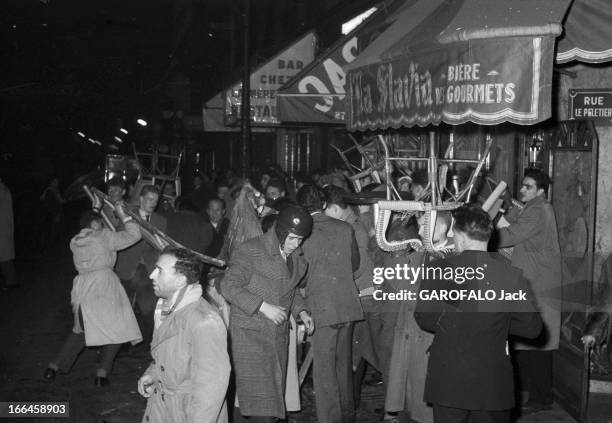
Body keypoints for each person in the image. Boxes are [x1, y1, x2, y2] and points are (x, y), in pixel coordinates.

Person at [414, 205, 543, 423]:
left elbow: (424, 318)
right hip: (491, 380)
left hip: (447, 378)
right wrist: (497, 322)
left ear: (461, 235)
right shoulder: (511, 276)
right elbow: (532, 329)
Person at [220, 205, 314, 423]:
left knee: (266, 405)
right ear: (280, 231)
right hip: (251, 336)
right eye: (291, 238)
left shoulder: (296, 258)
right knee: (259, 406)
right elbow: (229, 286)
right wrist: (263, 306)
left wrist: (302, 311)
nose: (295, 244)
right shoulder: (251, 250)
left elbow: (290, 291)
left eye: (300, 239)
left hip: (278, 338)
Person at [44, 203, 142, 386]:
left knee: (81, 330)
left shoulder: (75, 240)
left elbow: (90, 224)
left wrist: (95, 210)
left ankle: (52, 368)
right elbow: (134, 235)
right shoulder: (103, 236)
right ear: (96, 224)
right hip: (104, 288)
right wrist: (124, 217)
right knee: (118, 330)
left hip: (82, 289)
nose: (103, 226)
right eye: (100, 223)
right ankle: (101, 374)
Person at [138, 247, 230, 423]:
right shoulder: (166, 309)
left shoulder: (204, 322)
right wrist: (154, 373)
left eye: (160, 271)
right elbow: (175, 357)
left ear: (181, 280)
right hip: (164, 408)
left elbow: (210, 391)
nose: (151, 275)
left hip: (188, 414)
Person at [496, 168, 561, 415]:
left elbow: (514, 234)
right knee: (529, 341)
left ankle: (541, 398)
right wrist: (508, 207)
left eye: (529, 186)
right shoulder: (535, 207)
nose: (523, 189)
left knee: (537, 347)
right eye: (522, 185)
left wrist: (479, 236)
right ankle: (534, 394)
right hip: (534, 281)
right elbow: (517, 221)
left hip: (539, 285)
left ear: (541, 190)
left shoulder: (538, 210)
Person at [297, 185, 363, 423]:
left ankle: (330, 419)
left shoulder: (303, 233)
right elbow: (354, 264)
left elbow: (300, 275)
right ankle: (348, 415)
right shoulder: (345, 228)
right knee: (343, 367)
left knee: (324, 373)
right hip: (347, 305)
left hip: (321, 308)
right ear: (324, 204)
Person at [115, 184, 168, 346]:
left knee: (149, 309)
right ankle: (119, 345)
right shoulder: (128, 216)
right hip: (127, 268)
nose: (153, 203)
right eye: (150, 199)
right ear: (141, 199)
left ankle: (149, 343)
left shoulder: (161, 221)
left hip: (149, 270)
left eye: (156, 200)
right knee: (123, 310)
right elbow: (118, 239)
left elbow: (162, 246)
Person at [0, 177, 18, 289]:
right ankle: (10, 281)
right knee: (4, 256)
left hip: (2, 228)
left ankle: (12, 282)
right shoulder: (5, 190)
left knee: (4, 257)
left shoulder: (2, 191)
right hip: (5, 227)